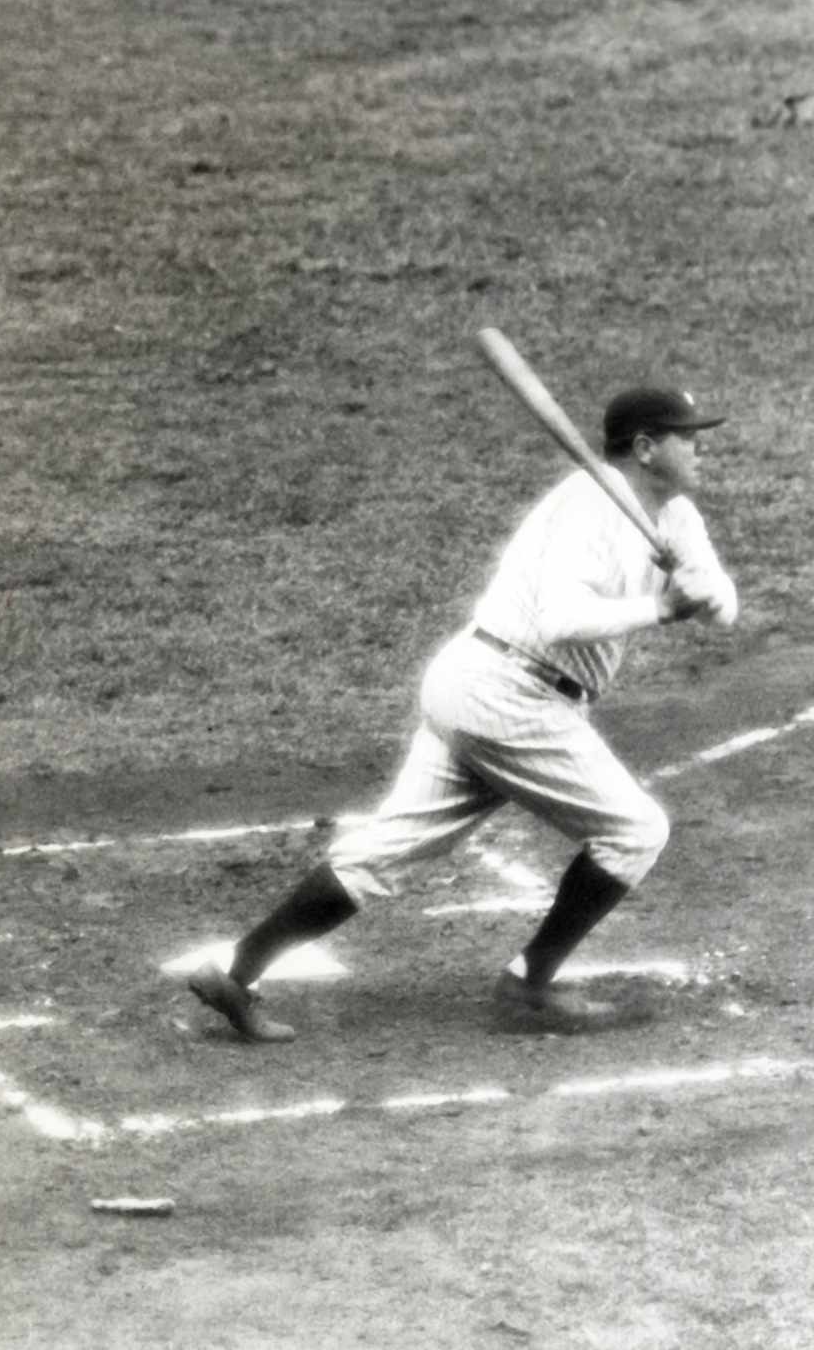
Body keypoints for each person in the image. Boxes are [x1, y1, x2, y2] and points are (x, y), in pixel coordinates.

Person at [187, 385, 738, 1041]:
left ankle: (237, 975)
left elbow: (724, 605)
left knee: (382, 852)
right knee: (636, 829)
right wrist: (662, 608)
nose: (700, 447)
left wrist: (708, 593)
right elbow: (561, 621)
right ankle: (529, 987)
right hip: (505, 691)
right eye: (687, 436)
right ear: (646, 447)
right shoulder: (586, 507)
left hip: (485, 692)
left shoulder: (674, 516)